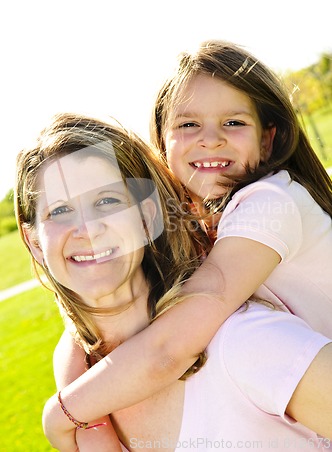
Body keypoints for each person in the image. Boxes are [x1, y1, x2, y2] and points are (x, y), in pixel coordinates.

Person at [15, 113, 332, 451]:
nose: (88, 229)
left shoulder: (244, 343)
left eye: (107, 201)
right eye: (60, 211)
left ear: (147, 215)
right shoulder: (79, 383)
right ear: (33, 240)